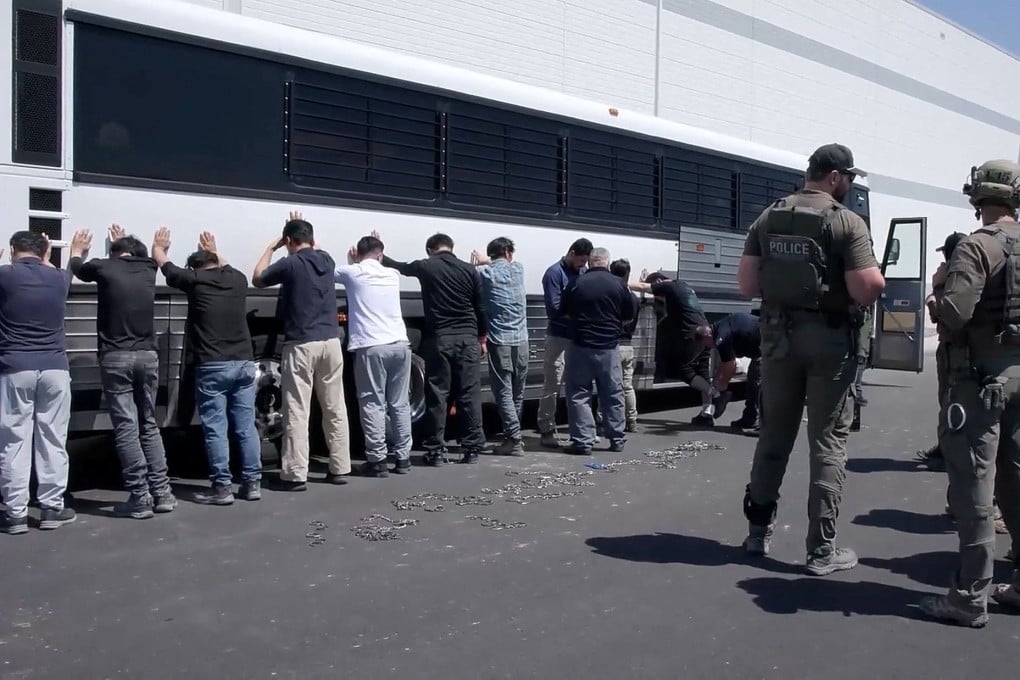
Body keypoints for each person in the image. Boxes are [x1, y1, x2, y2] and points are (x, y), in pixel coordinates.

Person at [736, 143, 885, 574]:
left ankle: (757, 532)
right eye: (850, 178)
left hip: (779, 340)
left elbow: (747, 284)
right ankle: (821, 550)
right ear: (836, 177)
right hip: (830, 343)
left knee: (773, 437)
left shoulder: (769, 215)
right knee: (827, 443)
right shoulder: (846, 222)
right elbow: (866, 288)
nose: (850, 185)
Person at [919, 159, 1020, 628]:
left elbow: (955, 314)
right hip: (1017, 376)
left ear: (978, 195)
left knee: (974, 484)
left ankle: (969, 596)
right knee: (1015, 477)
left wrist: (937, 295)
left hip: (977, 378)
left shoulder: (978, 247)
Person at [69, 225, 177, 520]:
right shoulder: (147, 269)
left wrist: (77, 251)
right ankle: (163, 493)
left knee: (127, 427)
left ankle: (140, 497)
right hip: (147, 356)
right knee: (148, 424)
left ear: (114, 254)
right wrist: (155, 247)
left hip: (116, 357)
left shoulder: (104, 267)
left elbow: (79, 268)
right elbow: (140, 257)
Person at [152, 228, 262, 504]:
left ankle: (222, 488)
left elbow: (164, 264)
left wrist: (159, 247)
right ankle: (252, 484)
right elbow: (224, 265)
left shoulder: (194, 280)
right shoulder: (238, 280)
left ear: (195, 267)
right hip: (245, 364)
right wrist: (215, 249)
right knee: (245, 426)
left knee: (216, 428)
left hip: (213, 366)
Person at [253, 211, 350, 490]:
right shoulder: (327, 260)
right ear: (312, 239)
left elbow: (258, 277)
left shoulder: (290, 264)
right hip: (331, 342)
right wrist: (301, 229)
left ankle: (296, 474)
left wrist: (273, 247)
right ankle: (339, 468)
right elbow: (314, 247)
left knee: (297, 408)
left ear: (288, 241)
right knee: (335, 407)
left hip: (302, 343)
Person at [381, 232, 487, 465]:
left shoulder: (426, 266)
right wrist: (482, 337)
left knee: (438, 394)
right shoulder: (470, 270)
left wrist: (379, 251)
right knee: (469, 394)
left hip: (440, 338)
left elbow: (399, 267)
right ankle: (471, 449)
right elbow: (480, 307)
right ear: (452, 247)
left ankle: (435, 451)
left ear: (430, 249)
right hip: (468, 338)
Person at [0, 232, 75, 533]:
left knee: (15, 440)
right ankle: (51, 508)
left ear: (11, 250)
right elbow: (56, 269)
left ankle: (16, 513)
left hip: (15, 367)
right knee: (53, 438)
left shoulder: (5, 276)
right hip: (56, 368)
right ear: (44, 252)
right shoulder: (58, 279)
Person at [335, 234, 412, 476]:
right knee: (399, 403)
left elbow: (326, 272)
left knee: (372, 403)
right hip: (400, 344)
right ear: (380, 254)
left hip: (371, 346)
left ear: (358, 254)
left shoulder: (352, 272)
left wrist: (353, 262)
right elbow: (381, 261)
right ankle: (403, 458)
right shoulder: (392, 275)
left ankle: (377, 460)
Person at [559, 247, 635, 454]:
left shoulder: (576, 284)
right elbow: (628, 317)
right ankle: (617, 439)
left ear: (590, 262)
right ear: (607, 263)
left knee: (578, 394)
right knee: (612, 394)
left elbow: (563, 313)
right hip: (609, 348)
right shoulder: (619, 285)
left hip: (580, 347)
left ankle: (583, 442)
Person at [629, 271, 722, 425]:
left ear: (660, 281)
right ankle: (707, 414)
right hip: (705, 329)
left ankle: (716, 394)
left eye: (656, 287)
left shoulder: (669, 287)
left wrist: (620, 282)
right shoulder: (683, 287)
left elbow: (642, 287)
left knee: (681, 370)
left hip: (693, 334)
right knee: (703, 372)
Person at [471, 237, 528, 456]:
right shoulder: (519, 270)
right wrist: (488, 260)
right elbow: (508, 264)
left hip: (500, 340)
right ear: (507, 252)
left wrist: (481, 263)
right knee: (517, 393)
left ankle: (514, 439)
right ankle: (511, 436)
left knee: (503, 391)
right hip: (521, 340)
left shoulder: (485, 274)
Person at [537, 239, 593, 448]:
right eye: (580, 260)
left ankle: (579, 430)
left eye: (585, 262)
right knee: (553, 384)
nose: (582, 265)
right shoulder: (554, 273)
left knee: (578, 385)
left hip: (577, 337)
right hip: (559, 336)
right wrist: (581, 317)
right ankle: (546, 429)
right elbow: (554, 309)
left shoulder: (583, 272)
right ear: (571, 253)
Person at [696, 311, 761, 434]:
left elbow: (730, 366)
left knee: (758, 385)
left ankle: (764, 426)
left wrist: (722, 390)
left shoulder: (722, 337)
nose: (709, 347)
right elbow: (725, 363)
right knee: (753, 382)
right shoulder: (720, 328)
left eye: (706, 345)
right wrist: (717, 381)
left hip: (768, 344)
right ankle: (750, 419)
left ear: (707, 336)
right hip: (760, 344)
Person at [610, 259, 640, 432]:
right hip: (628, 345)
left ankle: (604, 419)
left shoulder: (615, 295)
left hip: (614, 345)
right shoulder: (633, 298)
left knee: (608, 385)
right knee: (627, 386)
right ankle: (632, 420)